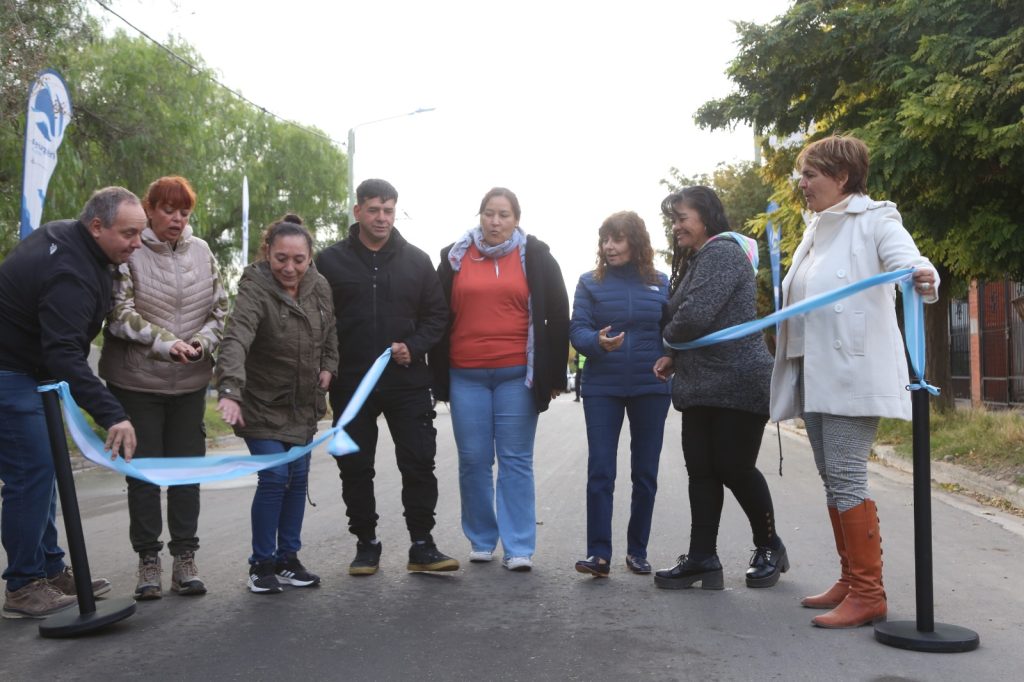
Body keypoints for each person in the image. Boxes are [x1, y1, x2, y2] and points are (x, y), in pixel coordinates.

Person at [770, 135, 939, 628]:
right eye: (802, 176)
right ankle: (850, 579)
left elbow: (911, 262)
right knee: (832, 476)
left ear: (842, 177)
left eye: (810, 175)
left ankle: (869, 593)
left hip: (850, 369)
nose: (802, 184)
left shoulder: (876, 219)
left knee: (846, 475)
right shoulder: (815, 228)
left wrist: (923, 276)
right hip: (812, 368)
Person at [0, 187, 142, 618]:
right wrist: (112, 414)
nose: (137, 243)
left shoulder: (73, 241)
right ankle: (24, 585)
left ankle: (48, 569)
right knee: (32, 471)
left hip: (27, 370)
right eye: (129, 233)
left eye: (140, 233)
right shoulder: (71, 269)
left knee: (44, 469)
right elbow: (63, 353)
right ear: (97, 226)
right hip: (9, 372)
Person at [315, 179, 457, 575]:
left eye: (388, 210)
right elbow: (318, 319)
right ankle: (366, 543)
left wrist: (414, 345)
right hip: (351, 384)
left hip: (408, 383)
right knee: (355, 467)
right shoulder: (328, 262)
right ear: (358, 211)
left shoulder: (417, 261)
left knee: (419, 462)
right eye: (374, 209)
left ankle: (422, 545)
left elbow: (437, 316)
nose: (382, 217)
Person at [99, 176, 227, 600]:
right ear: (149, 209)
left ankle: (185, 559)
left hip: (189, 384)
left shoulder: (202, 251)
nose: (177, 219)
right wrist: (165, 343)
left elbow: (220, 311)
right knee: (145, 476)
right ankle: (148, 561)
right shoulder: (131, 252)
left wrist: (202, 343)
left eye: (184, 212)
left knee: (187, 474)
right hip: (137, 383)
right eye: (168, 210)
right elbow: (118, 313)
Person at [653, 186, 787, 592]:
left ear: (706, 218)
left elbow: (694, 317)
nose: (676, 227)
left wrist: (668, 340)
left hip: (737, 382)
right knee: (701, 472)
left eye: (682, 218)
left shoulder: (723, 253)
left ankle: (770, 546)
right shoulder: (699, 259)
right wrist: (674, 355)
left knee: (733, 467)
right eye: (673, 220)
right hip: (701, 384)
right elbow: (697, 320)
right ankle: (702, 558)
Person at [433, 187, 569, 571]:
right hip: (465, 374)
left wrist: (554, 375)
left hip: (517, 376)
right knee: (473, 460)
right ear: (480, 216)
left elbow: (558, 314)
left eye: (504, 215)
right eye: (489, 213)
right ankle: (481, 539)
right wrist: (433, 372)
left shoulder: (536, 257)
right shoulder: (454, 257)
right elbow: (435, 313)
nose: (495, 222)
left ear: (516, 220)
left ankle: (519, 547)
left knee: (515, 460)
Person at [216, 214, 338, 594]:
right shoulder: (255, 287)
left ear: (309, 257)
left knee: (297, 479)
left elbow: (330, 332)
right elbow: (236, 337)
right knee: (274, 477)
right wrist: (230, 389)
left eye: (298, 260)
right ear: (268, 252)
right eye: (281, 258)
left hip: (302, 404)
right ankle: (261, 563)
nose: (289, 267)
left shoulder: (319, 286)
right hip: (261, 402)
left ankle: (288, 559)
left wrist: (329, 366)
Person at [570, 211, 671, 577]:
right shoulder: (589, 283)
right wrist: (595, 342)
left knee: (645, 473)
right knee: (601, 469)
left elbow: (672, 330)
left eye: (617, 239)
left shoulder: (661, 282)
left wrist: (671, 356)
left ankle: (637, 551)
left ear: (636, 242)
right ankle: (598, 554)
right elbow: (577, 329)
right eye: (605, 240)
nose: (609, 246)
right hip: (603, 387)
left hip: (651, 387)